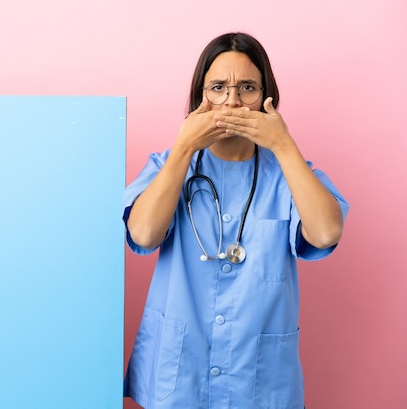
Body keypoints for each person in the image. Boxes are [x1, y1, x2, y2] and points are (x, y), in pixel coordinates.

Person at [122, 32, 349, 409]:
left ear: (266, 98)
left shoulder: (289, 174)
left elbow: (326, 232)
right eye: (217, 87)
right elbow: (144, 234)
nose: (231, 101)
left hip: (257, 380)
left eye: (247, 87)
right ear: (199, 97)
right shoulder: (168, 166)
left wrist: (283, 144)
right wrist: (184, 147)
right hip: (180, 375)